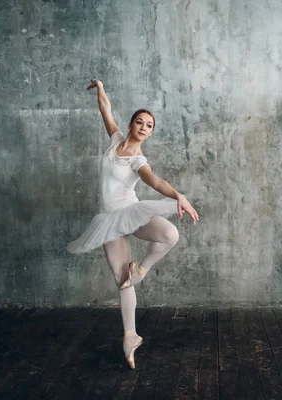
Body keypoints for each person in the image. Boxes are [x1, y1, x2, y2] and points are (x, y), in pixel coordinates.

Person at [67, 79, 199, 369]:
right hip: (108, 219)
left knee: (169, 233)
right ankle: (130, 336)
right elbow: (105, 110)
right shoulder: (115, 140)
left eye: (149, 125)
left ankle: (142, 268)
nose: (143, 127)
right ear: (130, 124)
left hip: (130, 211)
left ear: (150, 133)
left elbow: (155, 181)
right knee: (121, 280)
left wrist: (179, 195)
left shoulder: (139, 159)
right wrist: (101, 87)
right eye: (139, 122)